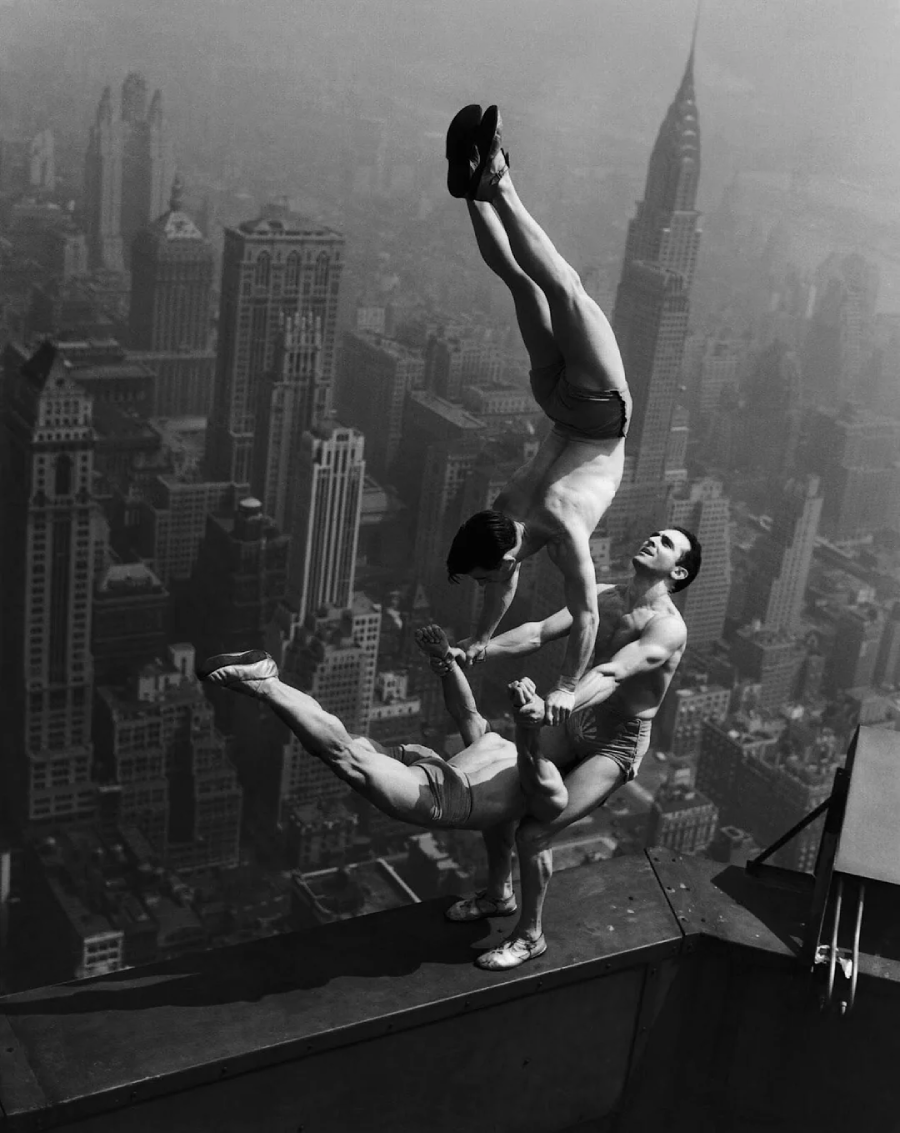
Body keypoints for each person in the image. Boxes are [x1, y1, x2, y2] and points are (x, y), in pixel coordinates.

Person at [444, 103, 631, 727]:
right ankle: (479, 191)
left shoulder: (548, 525)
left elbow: (586, 615)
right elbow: (515, 590)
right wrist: (479, 640)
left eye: (478, 575)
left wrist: (566, 686)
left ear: (497, 556)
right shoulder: (503, 513)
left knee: (563, 289)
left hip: (595, 411)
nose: (484, 583)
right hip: (558, 401)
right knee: (535, 287)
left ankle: (494, 179)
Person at [446, 526, 702, 971]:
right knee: (504, 800)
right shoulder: (605, 594)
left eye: (665, 543)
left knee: (534, 831)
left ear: (678, 571)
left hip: (615, 743)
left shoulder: (668, 628)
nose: (652, 539)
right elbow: (539, 632)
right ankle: (497, 895)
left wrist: (559, 700)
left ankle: (530, 938)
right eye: (655, 533)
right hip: (571, 720)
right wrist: (476, 650)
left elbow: (613, 673)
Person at [196, 625, 568, 852]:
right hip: (446, 794)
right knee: (343, 754)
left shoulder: (516, 754)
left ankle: (266, 685)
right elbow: (470, 715)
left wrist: (449, 667)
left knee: (340, 743)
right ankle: (266, 685)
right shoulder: (540, 773)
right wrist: (447, 664)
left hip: (435, 768)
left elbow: (469, 715)